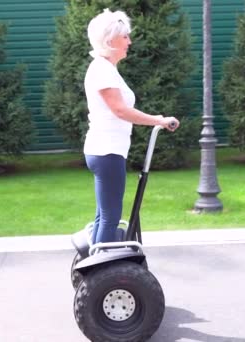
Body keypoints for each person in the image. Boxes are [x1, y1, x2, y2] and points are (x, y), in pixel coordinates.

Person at [83, 8, 179, 245]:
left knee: (104, 215)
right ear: (110, 39)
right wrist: (158, 120)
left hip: (107, 150)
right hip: (107, 151)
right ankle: (102, 271)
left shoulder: (106, 69)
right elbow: (120, 110)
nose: (129, 41)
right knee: (110, 217)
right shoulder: (102, 70)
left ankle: (96, 267)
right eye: (125, 36)